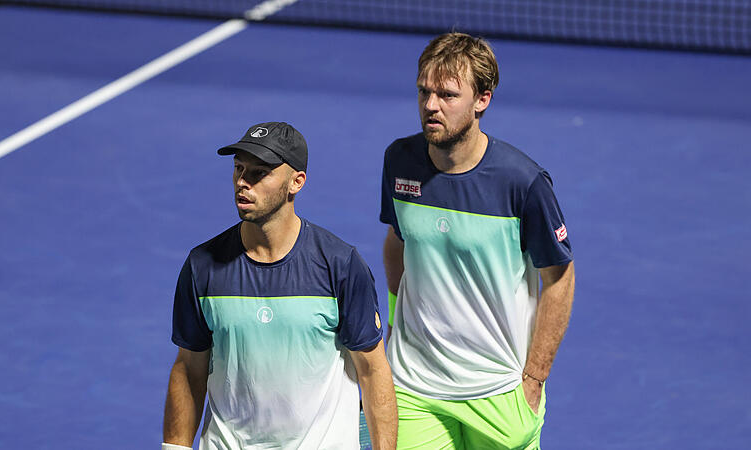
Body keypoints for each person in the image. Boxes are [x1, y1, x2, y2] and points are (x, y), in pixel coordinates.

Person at [380, 33, 576, 449]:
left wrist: (534, 379)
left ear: (482, 100)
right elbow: (397, 242)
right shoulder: (399, 161)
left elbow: (560, 279)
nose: (431, 105)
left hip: (498, 391)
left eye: (447, 95)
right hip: (415, 386)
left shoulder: (523, 182)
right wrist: (395, 322)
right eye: (424, 92)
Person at [163, 122, 397, 450]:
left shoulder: (340, 265)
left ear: (296, 182)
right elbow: (189, 368)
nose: (243, 182)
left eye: (259, 173)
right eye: (239, 168)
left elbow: (372, 371)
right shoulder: (202, 266)